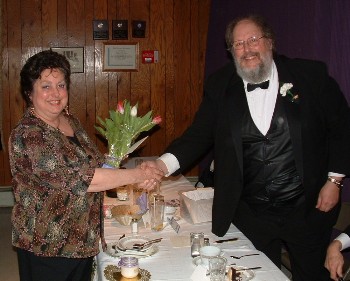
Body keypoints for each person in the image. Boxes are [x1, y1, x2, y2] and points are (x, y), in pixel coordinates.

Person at [141, 14, 350, 281]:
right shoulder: (220, 84)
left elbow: (342, 128)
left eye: (253, 40)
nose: (246, 49)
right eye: (238, 44)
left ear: (270, 42)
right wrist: (162, 164)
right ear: (231, 52)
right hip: (251, 214)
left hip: (307, 208)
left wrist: (335, 180)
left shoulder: (310, 75)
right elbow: (199, 134)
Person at [8, 50, 163, 281]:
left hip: (82, 239)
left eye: (61, 85)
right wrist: (136, 175)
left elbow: (96, 163)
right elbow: (84, 179)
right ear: (30, 92)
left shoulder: (70, 122)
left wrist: (122, 156)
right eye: (46, 86)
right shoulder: (29, 135)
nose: (56, 93)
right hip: (47, 246)